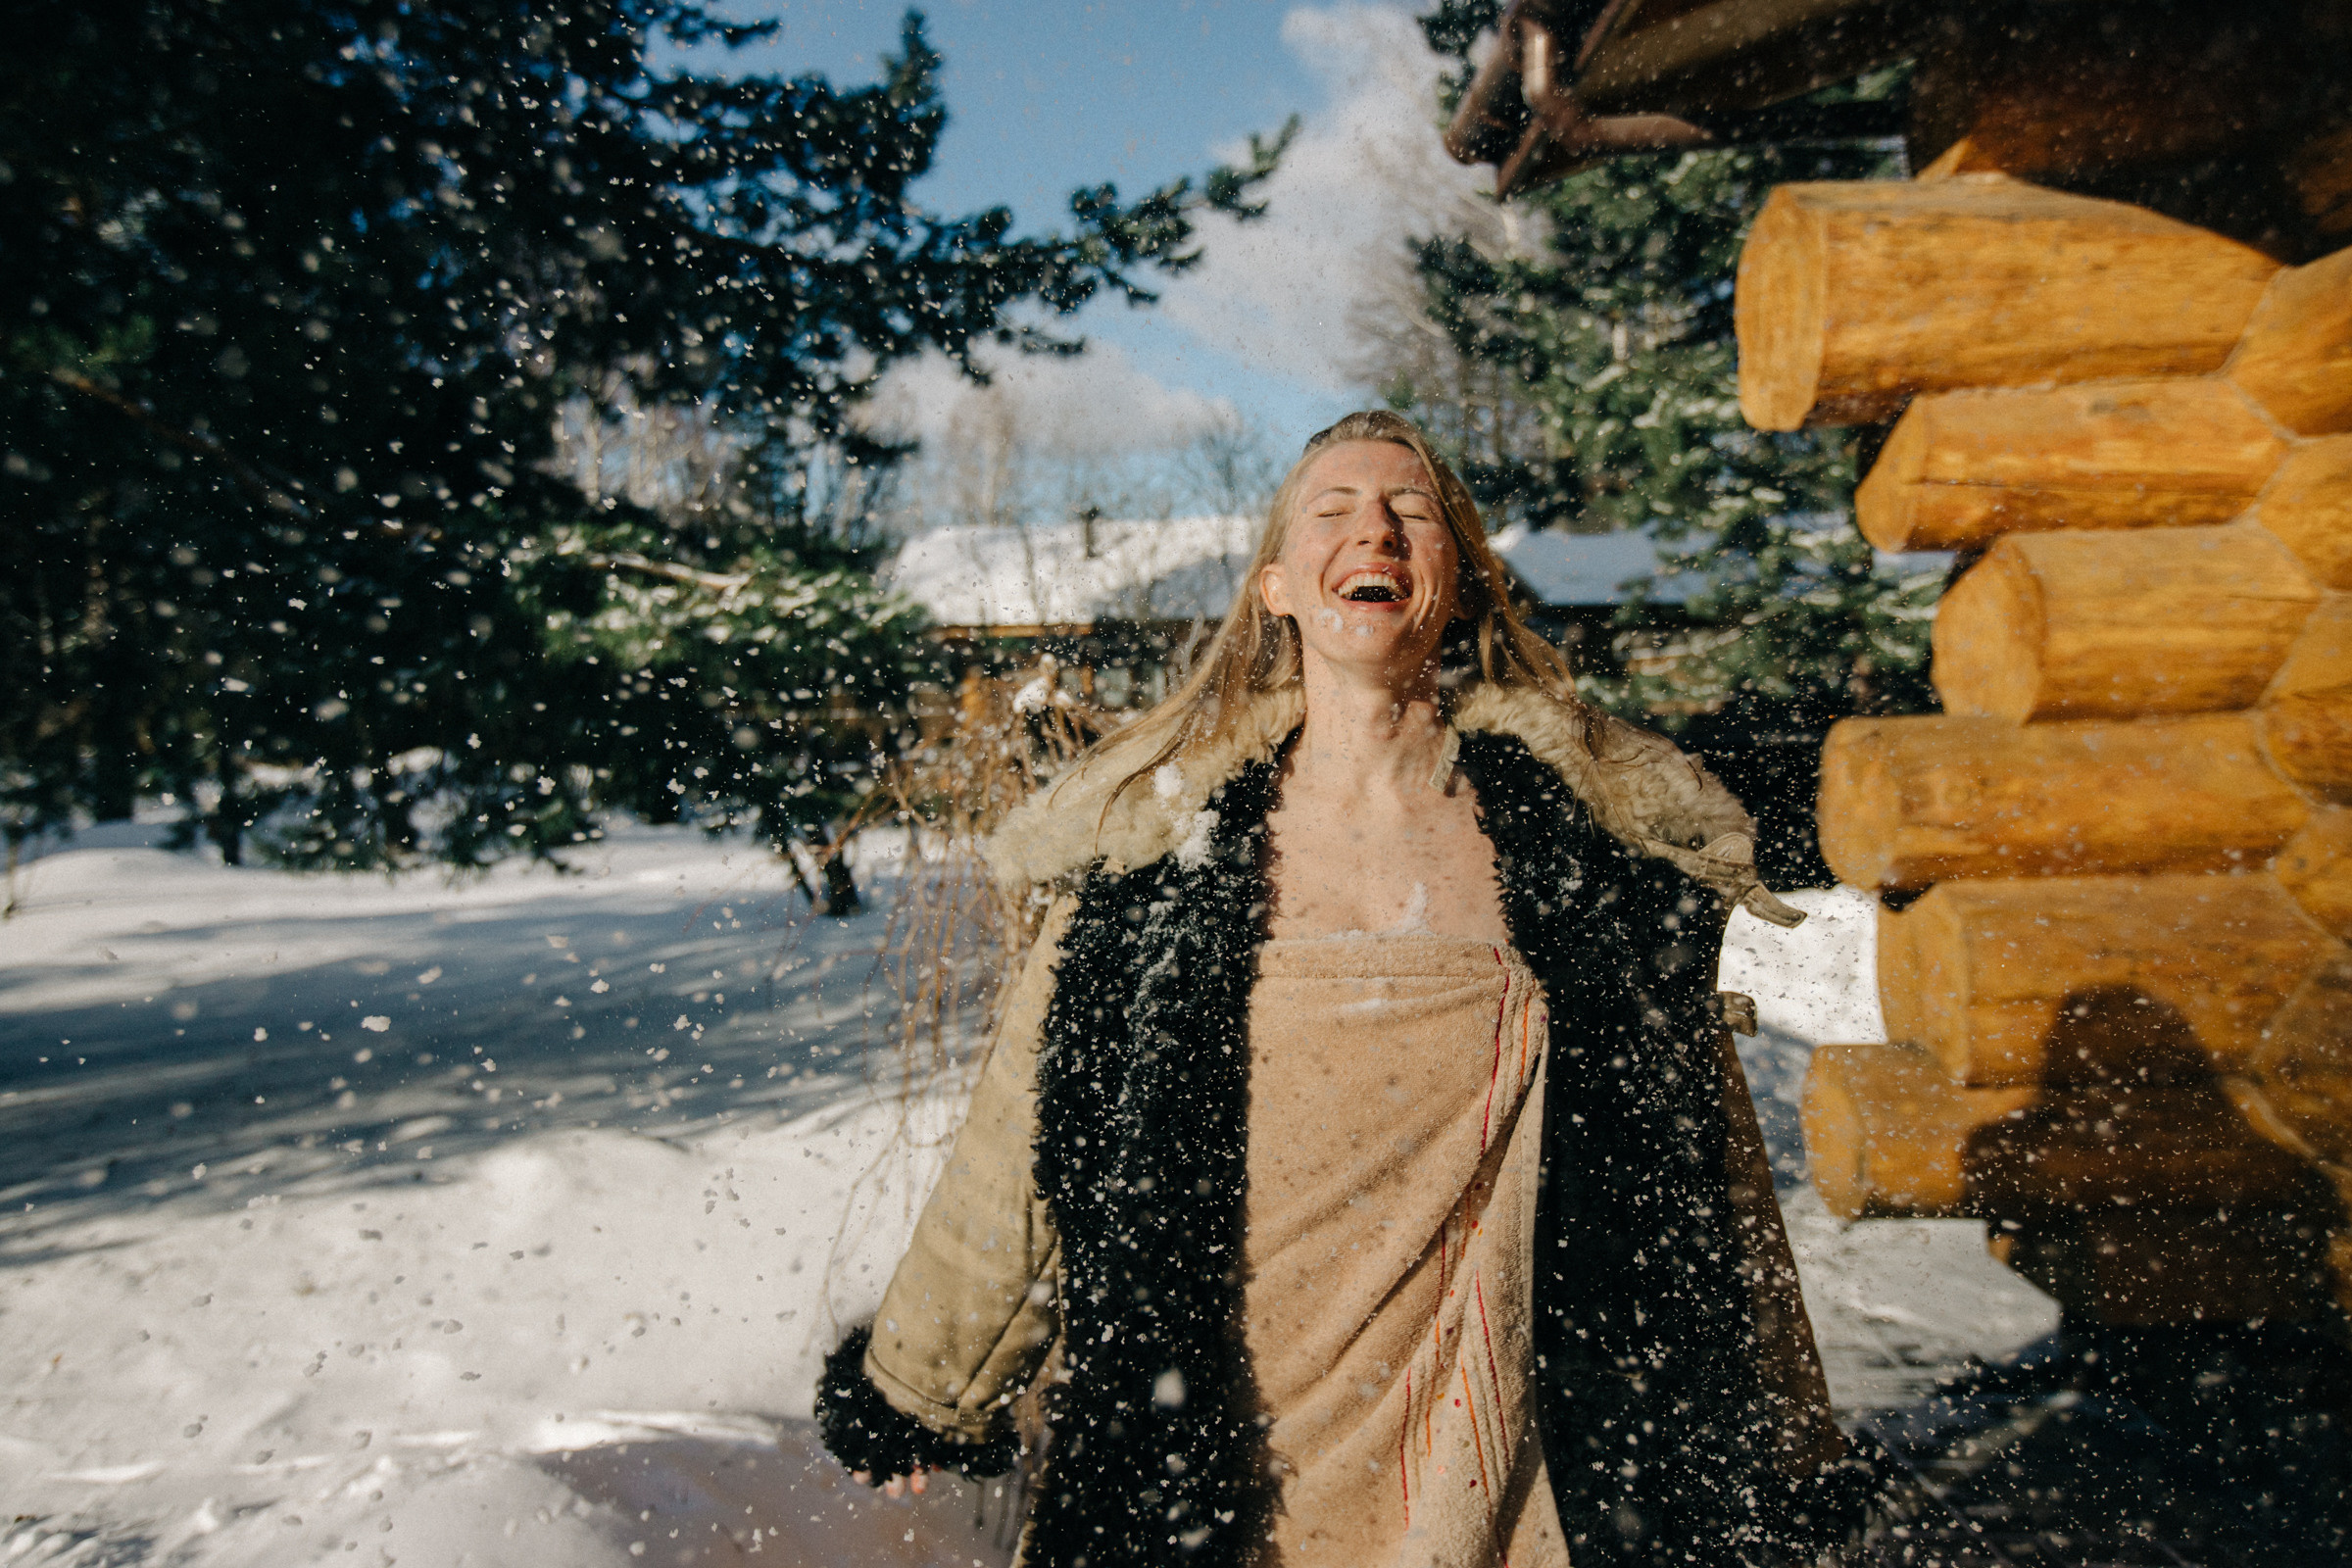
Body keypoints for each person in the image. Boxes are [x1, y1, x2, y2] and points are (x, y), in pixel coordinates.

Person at [816, 411, 1855, 1567]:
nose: (1377, 530)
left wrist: (1781, 1445)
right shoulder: (1158, 855)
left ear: (1461, 584)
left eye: (1412, 511)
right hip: (1218, 1473)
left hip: (1509, 1479)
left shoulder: (1585, 852)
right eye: (1334, 509)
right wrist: (921, 1385)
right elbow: (1022, 1140)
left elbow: (1706, 1173)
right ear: (1276, 586)